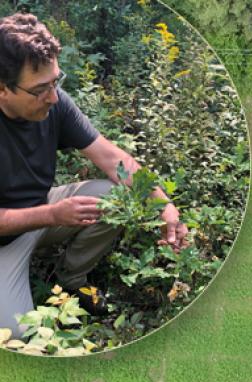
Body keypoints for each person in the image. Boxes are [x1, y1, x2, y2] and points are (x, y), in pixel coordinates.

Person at [0, 12, 186, 338]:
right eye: (41, 89)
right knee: (17, 336)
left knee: (112, 196)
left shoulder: (55, 104)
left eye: (56, 81)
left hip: (41, 213)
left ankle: (70, 280)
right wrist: (53, 214)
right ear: (3, 88)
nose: (54, 97)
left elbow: (112, 158)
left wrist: (163, 206)